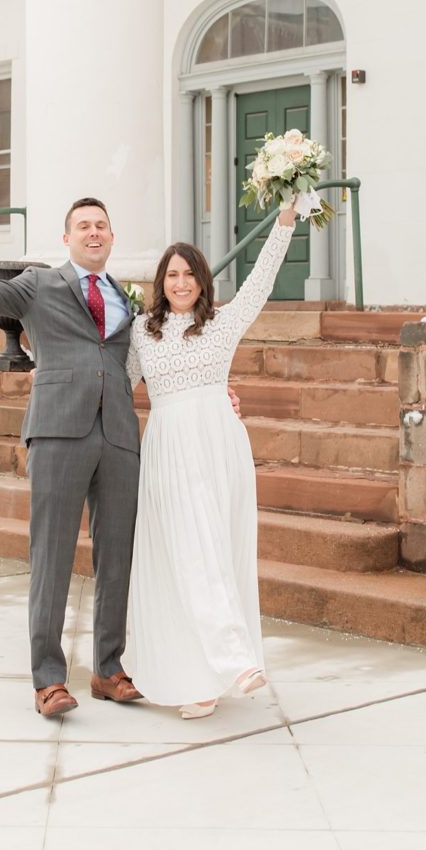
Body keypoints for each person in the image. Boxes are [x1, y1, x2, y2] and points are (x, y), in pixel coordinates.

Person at [0, 190, 143, 718]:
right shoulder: (40, 284)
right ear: (67, 238)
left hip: (119, 435)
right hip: (59, 431)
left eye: (101, 225)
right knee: (52, 555)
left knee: (117, 557)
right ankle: (48, 679)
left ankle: (109, 669)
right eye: (83, 225)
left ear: (111, 237)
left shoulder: (124, 298)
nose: (93, 232)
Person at [124, 204, 298, 719]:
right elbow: (113, 380)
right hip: (170, 446)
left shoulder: (222, 324)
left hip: (220, 444)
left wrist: (285, 222)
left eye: (189, 274)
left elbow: (262, 282)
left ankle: (202, 679)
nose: (180, 283)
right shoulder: (142, 333)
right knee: (187, 550)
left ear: (202, 281)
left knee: (216, 549)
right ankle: (234, 660)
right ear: (161, 283)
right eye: (171, 275)